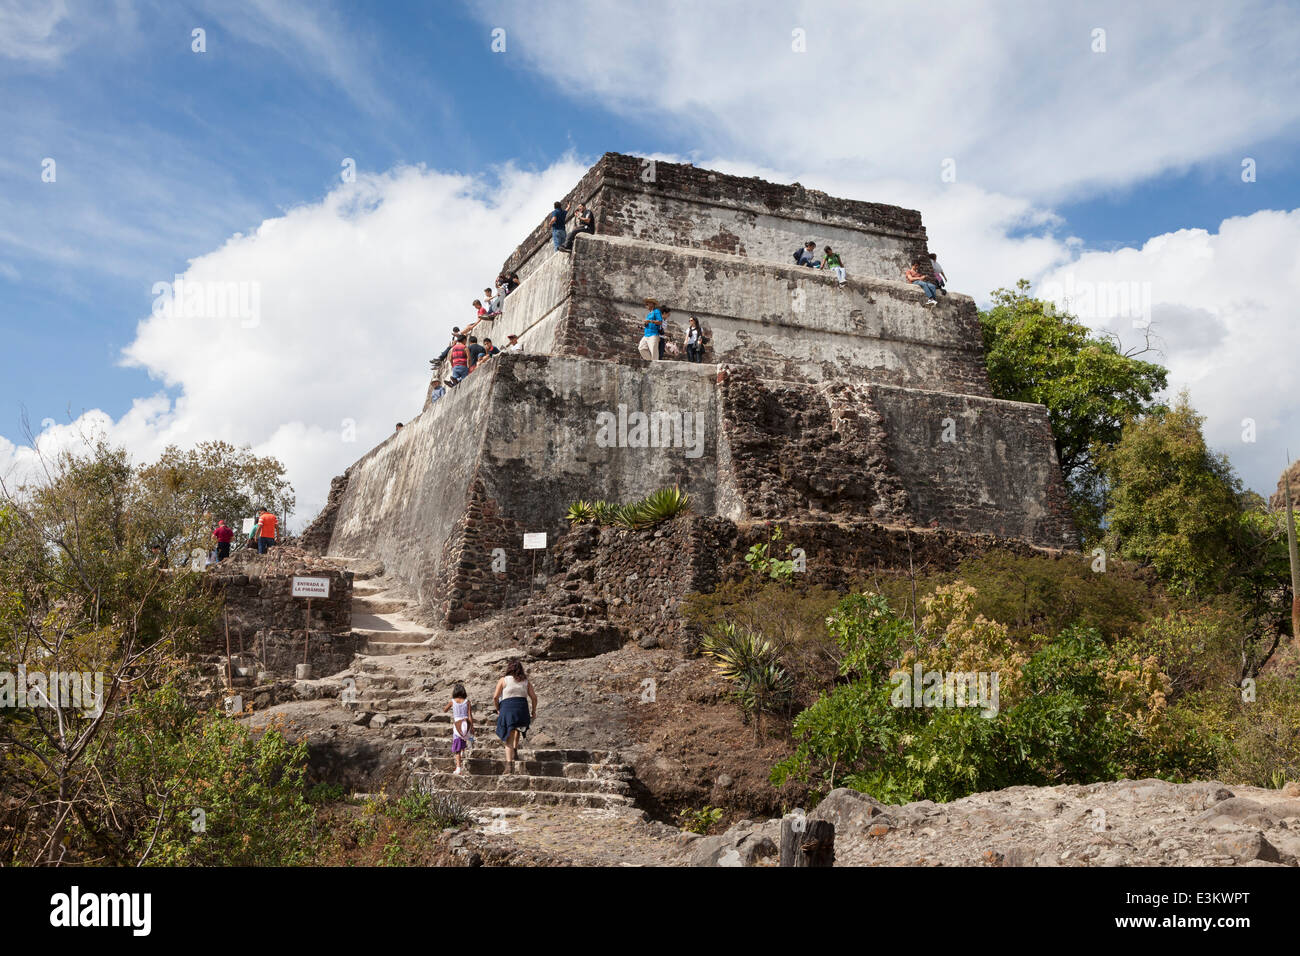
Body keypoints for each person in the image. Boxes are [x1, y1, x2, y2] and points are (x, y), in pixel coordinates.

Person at [493, 659, 537, 772]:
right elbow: (534, 697)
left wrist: (498, 708)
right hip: (522, 710)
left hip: (508, 709)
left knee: (508, 737)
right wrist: (534, 711)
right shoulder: (525, 681)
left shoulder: (503, 680)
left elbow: (495, 697)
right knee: (517, 729)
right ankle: (515, 750)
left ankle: (509, 767)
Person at [444, 683, 475, 775]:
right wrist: (472, 727)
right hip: (466, 724)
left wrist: (450, 707)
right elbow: (470, 715)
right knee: (463, 741)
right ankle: (461, 755)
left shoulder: (452, 701)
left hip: (457, 725)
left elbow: (444, 710)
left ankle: (458, 767)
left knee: (457, 746)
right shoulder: (467, 702)